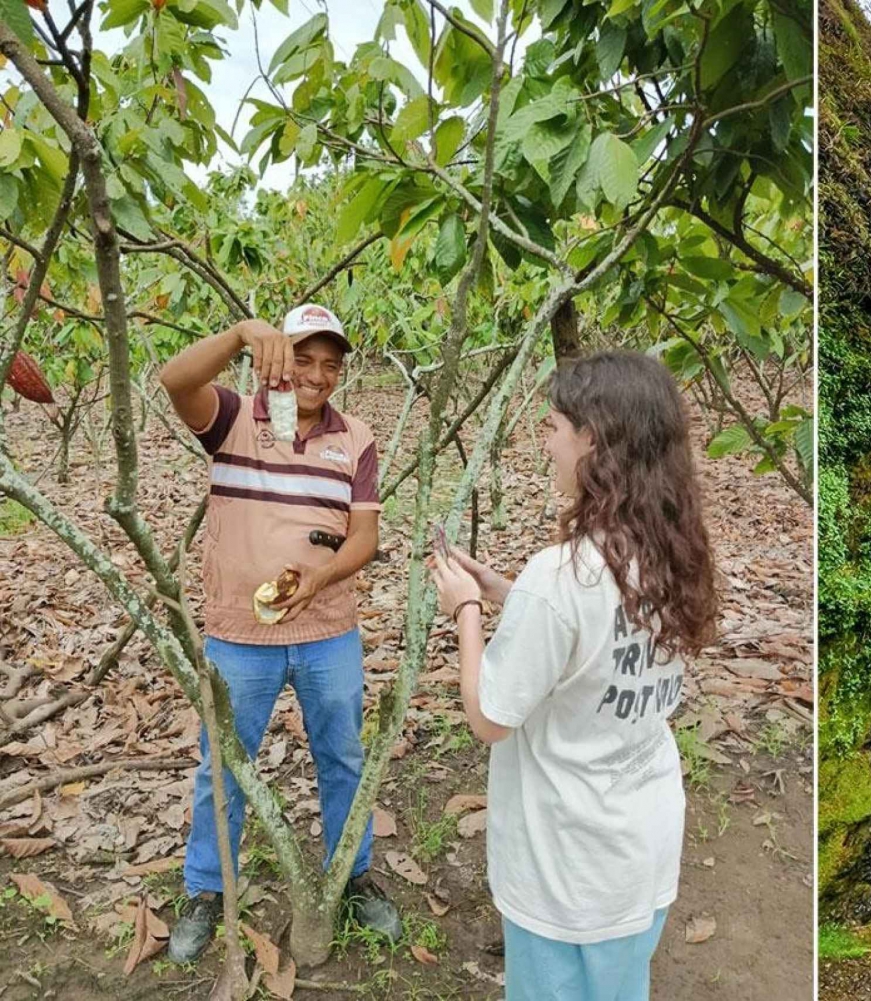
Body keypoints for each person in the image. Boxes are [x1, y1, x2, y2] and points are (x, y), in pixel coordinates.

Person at [429, 351, 717, 1001]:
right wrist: (506, 590)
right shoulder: (672, 549)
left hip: (565, 867)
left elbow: (490, 717)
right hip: (639, 849)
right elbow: (598, 638)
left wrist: (467, 609)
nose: (545, 439)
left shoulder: (561, 578)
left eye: (554, 424)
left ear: (595, 439)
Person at [159, 305, 400, 962]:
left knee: (344, 756)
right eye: (303, 357)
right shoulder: (235, 417)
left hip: (327, 630)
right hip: (240, 633)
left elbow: (366, 536)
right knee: (225, 763)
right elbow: (173, 380)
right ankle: (207, 888)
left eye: (330, 364)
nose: (317, 375)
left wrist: (321, 578)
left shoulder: (355, 437)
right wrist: (237, 332)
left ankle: (353, 874)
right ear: (276, 357)